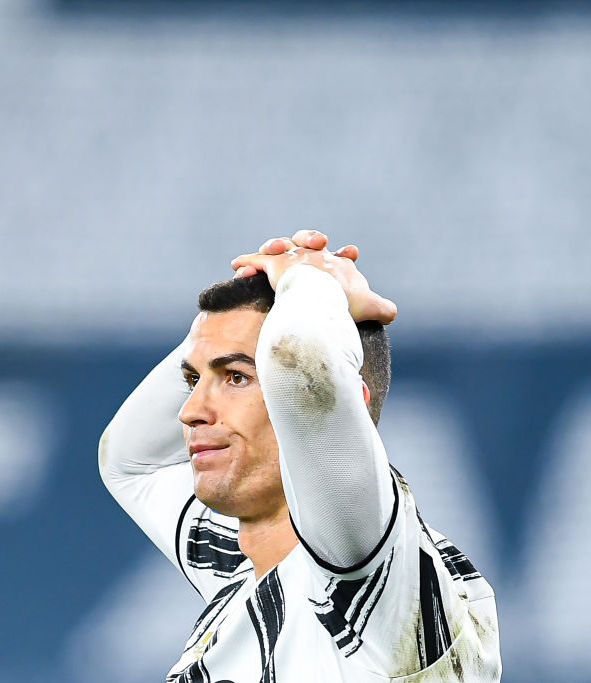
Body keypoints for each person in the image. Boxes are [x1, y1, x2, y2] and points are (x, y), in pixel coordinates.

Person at [99, 230, 501, 682]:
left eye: (236, 377)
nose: (190, 411)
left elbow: (299, 361)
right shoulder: (244, 571)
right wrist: (266, 290)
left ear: (347, 405)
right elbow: (130, 460)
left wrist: (312, 281)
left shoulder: (370, 574)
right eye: (194, 381)